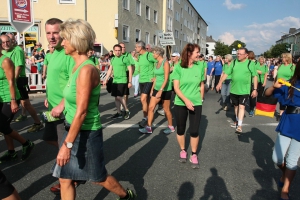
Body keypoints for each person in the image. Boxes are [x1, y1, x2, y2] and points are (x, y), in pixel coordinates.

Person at [52, 18, 136, 200]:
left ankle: (126, 195)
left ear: (76, 41)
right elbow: (72, 98)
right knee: (65, 178)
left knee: (98, 178)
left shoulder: (86, 70)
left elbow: (82, 112)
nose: (62, 42)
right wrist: (60, 106)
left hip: (87, 132)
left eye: (65, 38)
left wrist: (67, 145)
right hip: (72, 127)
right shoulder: (75, 66)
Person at [43, 18, 76, 195]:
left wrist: (62, 104)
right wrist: (48, 97)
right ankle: (73, 160)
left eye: (55, 32)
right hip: (52, 108)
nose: (52, 36)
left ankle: (67, 180)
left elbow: (74, 82)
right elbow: (55, 79)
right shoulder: (52, 53)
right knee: (48, 138)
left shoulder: (67, 53)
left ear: (63, 33)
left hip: (63, 110)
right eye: (48, 33)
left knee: (63, 152)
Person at [264, 60, 300, 200]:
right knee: (277, 158)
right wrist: (273, 86)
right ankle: (285, 173)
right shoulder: (290, 83)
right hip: (288, 122)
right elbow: (267, 94)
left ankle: (285, 189)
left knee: (292, 160)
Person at [0, 40, 35, 163]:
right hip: (0, 97)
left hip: (9, 97)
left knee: (2, 125)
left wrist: (13, 100)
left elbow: (11, 81)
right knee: (5, 126)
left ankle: (26, 143)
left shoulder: (5, 61)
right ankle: (11, 152)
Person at [172, 43, 205, 169]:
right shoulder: (179, 67)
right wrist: (186, 100)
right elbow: (176, 87)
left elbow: (201, 84)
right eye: (197, 52)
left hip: (196, 102)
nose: (199, 55)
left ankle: (194, 154)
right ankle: (183, 150)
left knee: (194, 130)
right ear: (189, 53)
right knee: (180, 129)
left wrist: (201, 98)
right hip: (181, 102)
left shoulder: (200, 66)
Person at [1, 34, 44, 133]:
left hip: (18, 80)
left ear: (13, 41)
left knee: (25, 103)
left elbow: (18, 67)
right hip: (7, 82)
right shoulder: (3, 51)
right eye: (3, 42)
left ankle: (38, 123)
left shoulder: (17, 50)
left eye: (8, 41)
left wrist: (13, 82)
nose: (6, 44)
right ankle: (6, 124)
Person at [216, 48, 258, 133]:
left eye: (240, 54)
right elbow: (226, 73)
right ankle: (237, 119)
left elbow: (255, 76)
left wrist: (255, 89)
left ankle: (239, 125)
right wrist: (220, 83)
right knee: (236, 106)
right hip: (234, 89)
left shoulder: (250, 63)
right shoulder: (234, 62)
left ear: (246, 55)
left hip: (244, 90)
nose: (238, 55)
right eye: (238, 53)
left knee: (242, 106)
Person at [139, 46, 175, 134]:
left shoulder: (165, 63)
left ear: (158, 54)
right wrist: (152, 89)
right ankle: (148, 127)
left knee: (166, 109)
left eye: (153, 53)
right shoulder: (156, 63)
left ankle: (171, 127)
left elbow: (166, 78)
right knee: (151, 108)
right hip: (156, 88)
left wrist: (161, 90)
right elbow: (156, 77)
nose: (152, 54)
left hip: (165, 89)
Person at [103, 44, 132, 120]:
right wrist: (106, 79)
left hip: (122, 80)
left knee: (119, 96)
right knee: (116, 98)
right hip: (115, 80)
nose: (118, 52)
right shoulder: (112, 59)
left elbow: (130, 70)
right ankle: (118, 112)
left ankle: (126, 110)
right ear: (114, 51)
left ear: (121, 51)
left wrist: (130, 81)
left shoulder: (124, 58)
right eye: (116, 50)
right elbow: (110, 70)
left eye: (119, 50)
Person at [135, 40, 157, 128]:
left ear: (140, 47)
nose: (135, 48)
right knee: (145, 100)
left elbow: (157, 62)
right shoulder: (139, 56)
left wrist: (155, 76)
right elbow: (138, 69)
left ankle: (146, 117)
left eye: (136, 47)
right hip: (141, 80)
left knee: (143, 99)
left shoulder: (149, 55)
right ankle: (147, 116)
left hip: (149, 80)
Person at [274, 53, 295, 119]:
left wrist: (287, 82)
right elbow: (277, 75)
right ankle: (281, 113)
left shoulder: (292, 66)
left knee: (285, 100)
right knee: (280, 100)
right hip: (278, 86)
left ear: (287, 58)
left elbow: (294, 77)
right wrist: (274, 83)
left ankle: (282, 114)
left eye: (283, 57)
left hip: (287, 86)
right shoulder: (281, 65)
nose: (282, 58)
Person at [119, 42, 135, 113]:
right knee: (118, 93)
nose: (123, 49)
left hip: (126, 73)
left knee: (125, 93)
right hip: (118, 75)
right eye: (122, 47)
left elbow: (133, 65)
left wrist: (131, 75)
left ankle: (124, 106)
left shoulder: (128, 55)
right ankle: (119, 107)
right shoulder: (116, 55)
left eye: (124, 47)